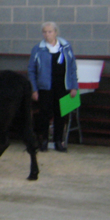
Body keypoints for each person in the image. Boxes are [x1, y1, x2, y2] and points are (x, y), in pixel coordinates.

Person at [28, 21, 79, 153]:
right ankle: (44, 140)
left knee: (61, 114)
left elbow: (72, 68)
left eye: (50, 31)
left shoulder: (66, 47)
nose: (47, 34)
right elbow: (31, 70)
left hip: (62, 86)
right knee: (44, 114)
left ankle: (58, 141)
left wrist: (74, 86)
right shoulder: (38, 49)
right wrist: (34, 89)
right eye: (44, 32)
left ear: (56, 33)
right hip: (45, 86)